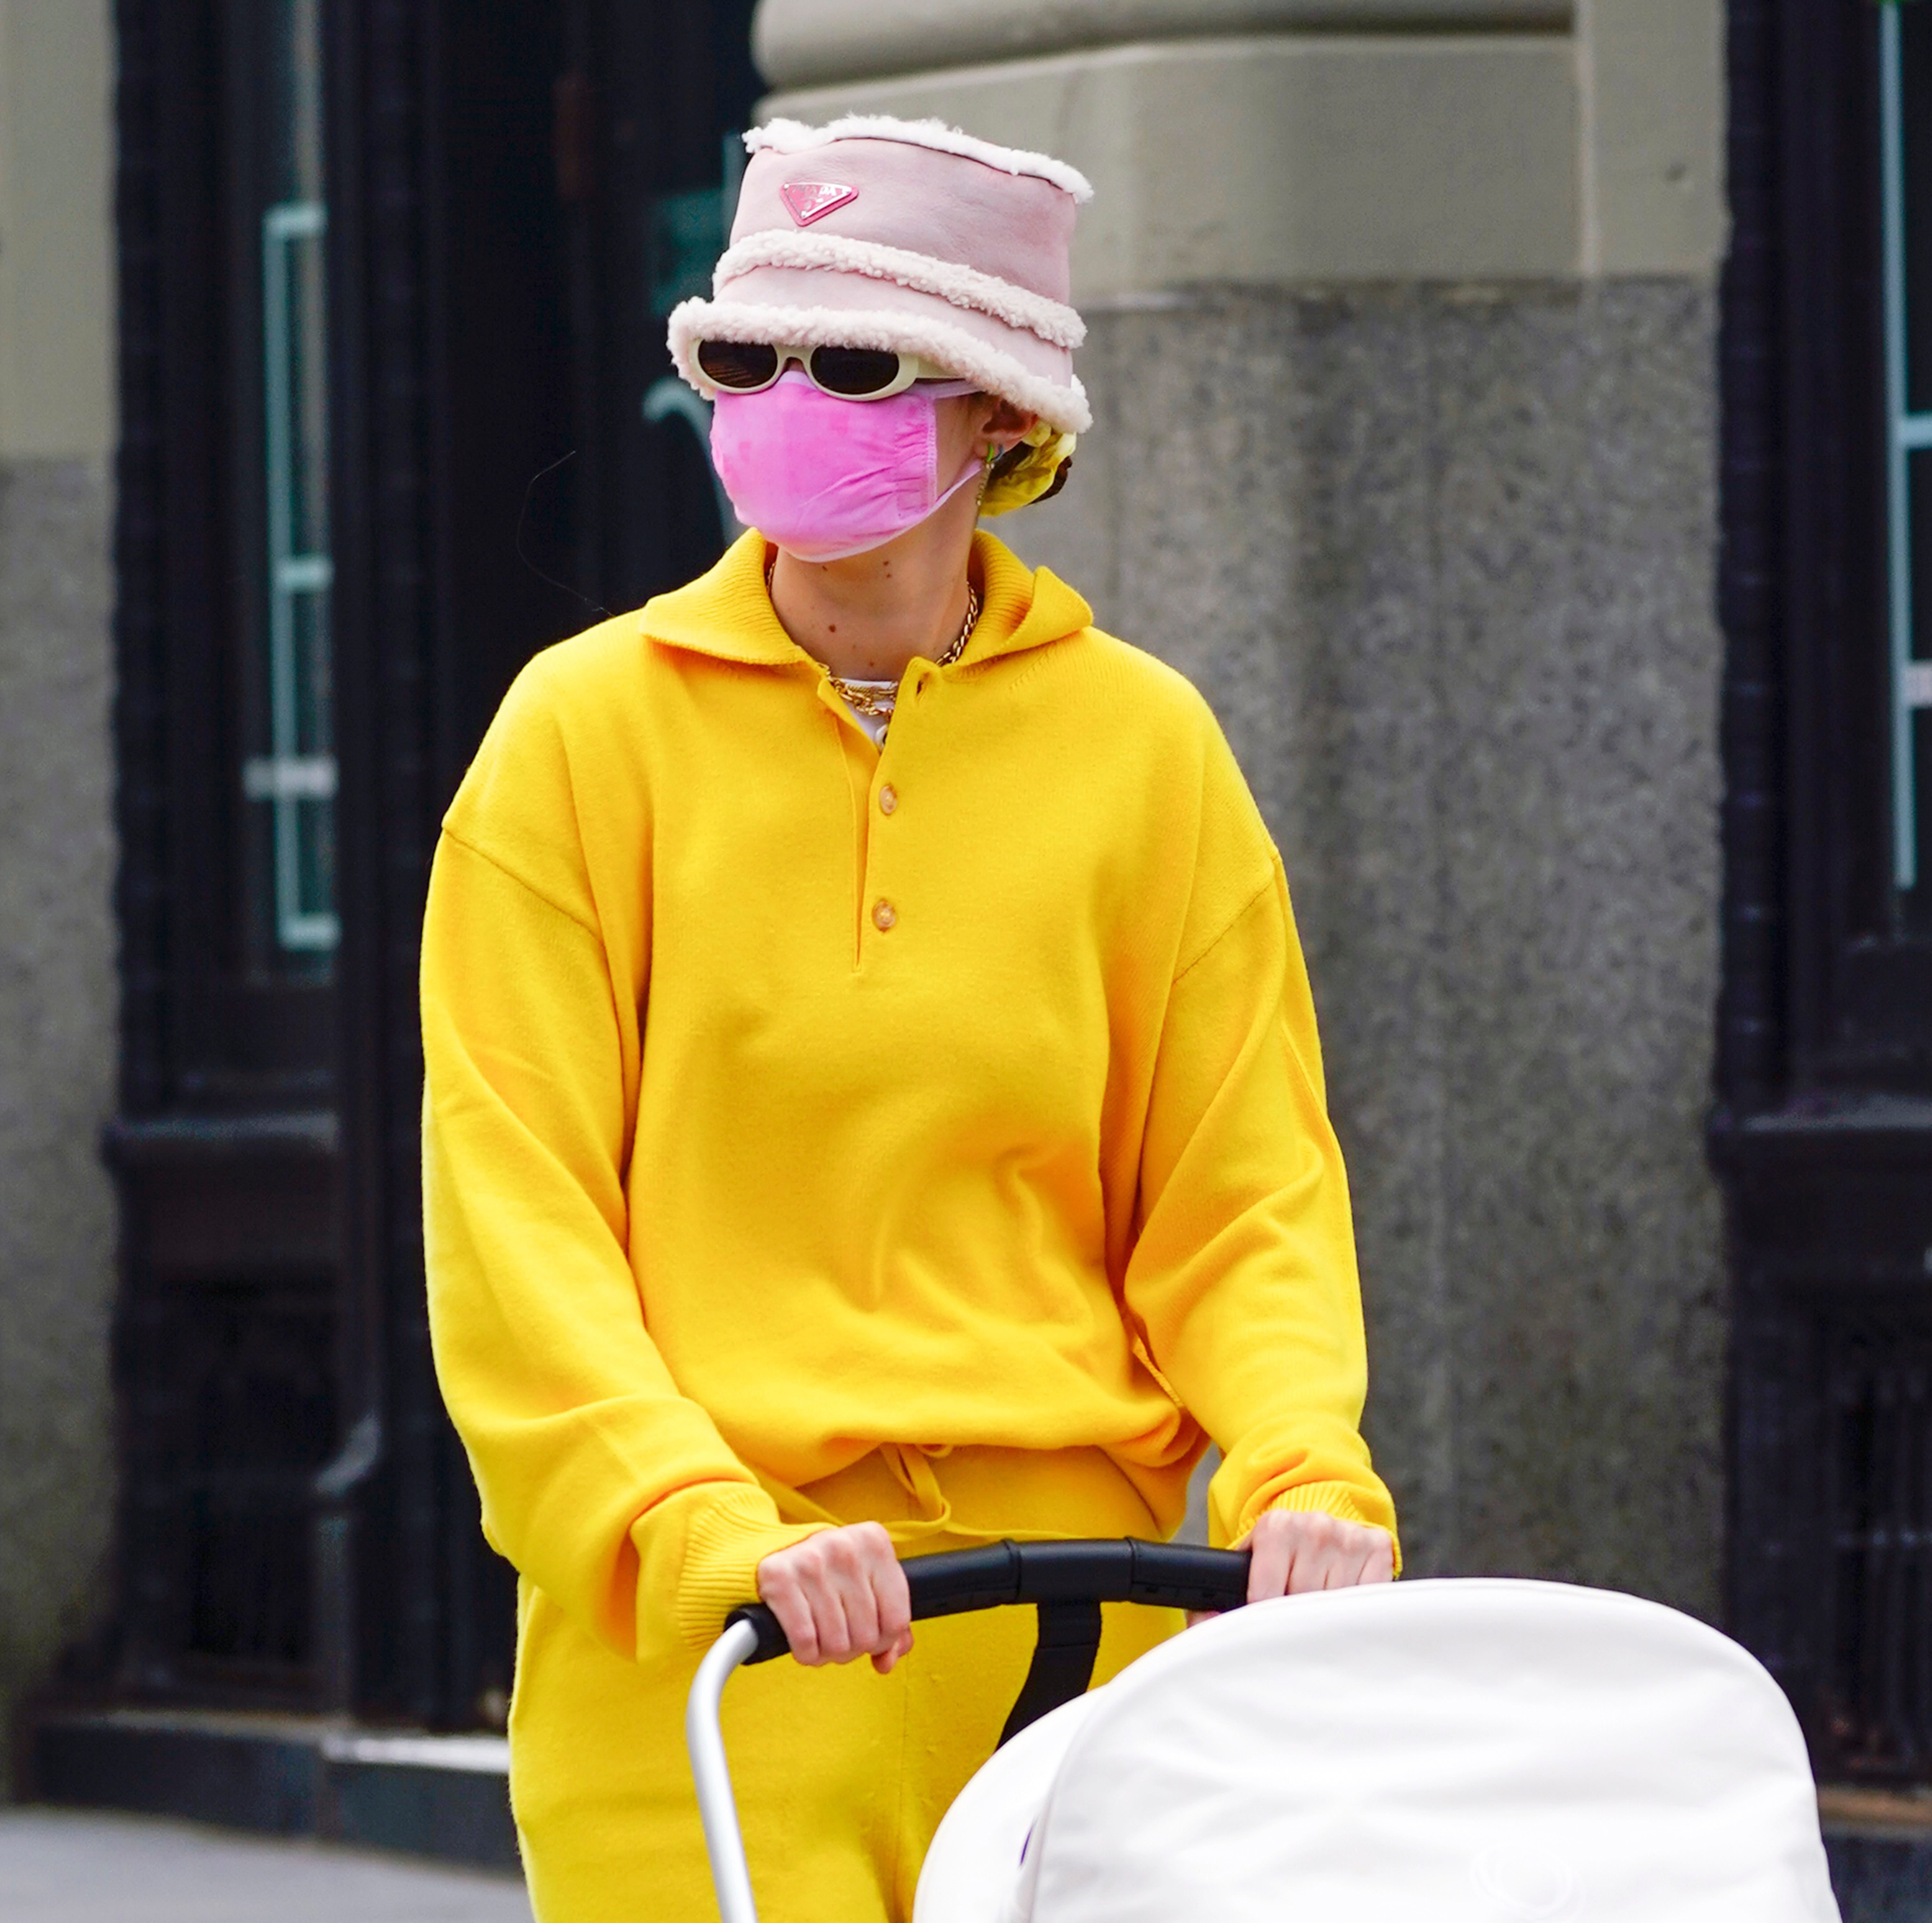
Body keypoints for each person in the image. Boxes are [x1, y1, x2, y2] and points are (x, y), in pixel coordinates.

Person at [422, 114, 1397, 1923]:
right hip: (719, 1649)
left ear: (1002, 422)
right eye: (744, 356)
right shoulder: (576, 740)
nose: (788, 399)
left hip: (1086, 1650)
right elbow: (516, 1216)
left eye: (856, 362)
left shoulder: (1145, 754)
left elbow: (1240, 1193)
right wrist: (695, 1525)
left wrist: (1297, 1468)